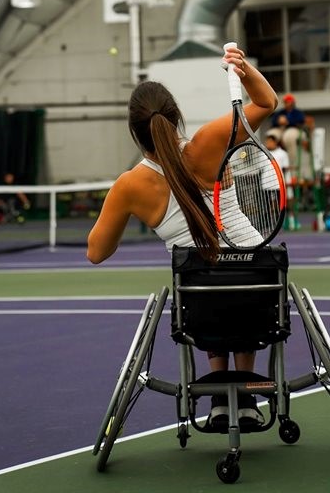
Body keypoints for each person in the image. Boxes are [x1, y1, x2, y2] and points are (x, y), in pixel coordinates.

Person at [87, 44, 278, 430]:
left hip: (199, 300)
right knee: (237, 283)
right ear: (176, 117)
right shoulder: (209, 141)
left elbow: (96, 253)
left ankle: (221, 398)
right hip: (259, 281)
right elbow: (267, 102)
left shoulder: (129, 186)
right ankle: (244, 394)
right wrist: (241, 66)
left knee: (201, 283)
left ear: (135, 132)